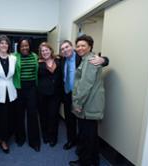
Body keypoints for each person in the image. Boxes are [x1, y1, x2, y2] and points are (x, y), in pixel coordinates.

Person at [60, 39, 109, 151]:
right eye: (62, 49)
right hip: (68, 94)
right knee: (70, 121)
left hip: (82, 96)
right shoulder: (62, 60)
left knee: (84, 126)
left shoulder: (83, 57)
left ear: (72, 47)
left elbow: (100, 61)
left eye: (67, 47)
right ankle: (71, 140)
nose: (65, 50)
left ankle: (83, 148)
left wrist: (104, 59)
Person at [69, 34, 105, 166]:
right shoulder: (87, 59)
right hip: (90, 103)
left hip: (88, 104)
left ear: (90, 47)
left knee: (87, 136)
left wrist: (77, 103)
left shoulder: (90, 61)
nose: (80, 48)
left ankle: (84, 163)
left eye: (83, 45)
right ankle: (94, 162)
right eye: (78, 46)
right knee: (92, 136)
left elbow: (85, 85)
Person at [13, 38, 41, 152]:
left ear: (30, 46)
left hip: (32, 89)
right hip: (19, 88)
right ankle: (20, 138)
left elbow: (50, 58)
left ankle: (34, 141)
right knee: (19, 115)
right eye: (22, 46)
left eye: (26, 45)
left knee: (32, 115)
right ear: (19, 47)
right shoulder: (14, 57)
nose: (24, 48)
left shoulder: (35, 56)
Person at [37, 42, 63, 147]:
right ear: (40, 53)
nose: (45, 52)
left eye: (46, 50)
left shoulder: (59, 60)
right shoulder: (38, 63)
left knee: (53, 116)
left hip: (55, 94)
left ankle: (53, 137)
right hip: (42, 94)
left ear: (50, 50)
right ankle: (45, 136)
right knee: (43, 116)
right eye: (42, 51)